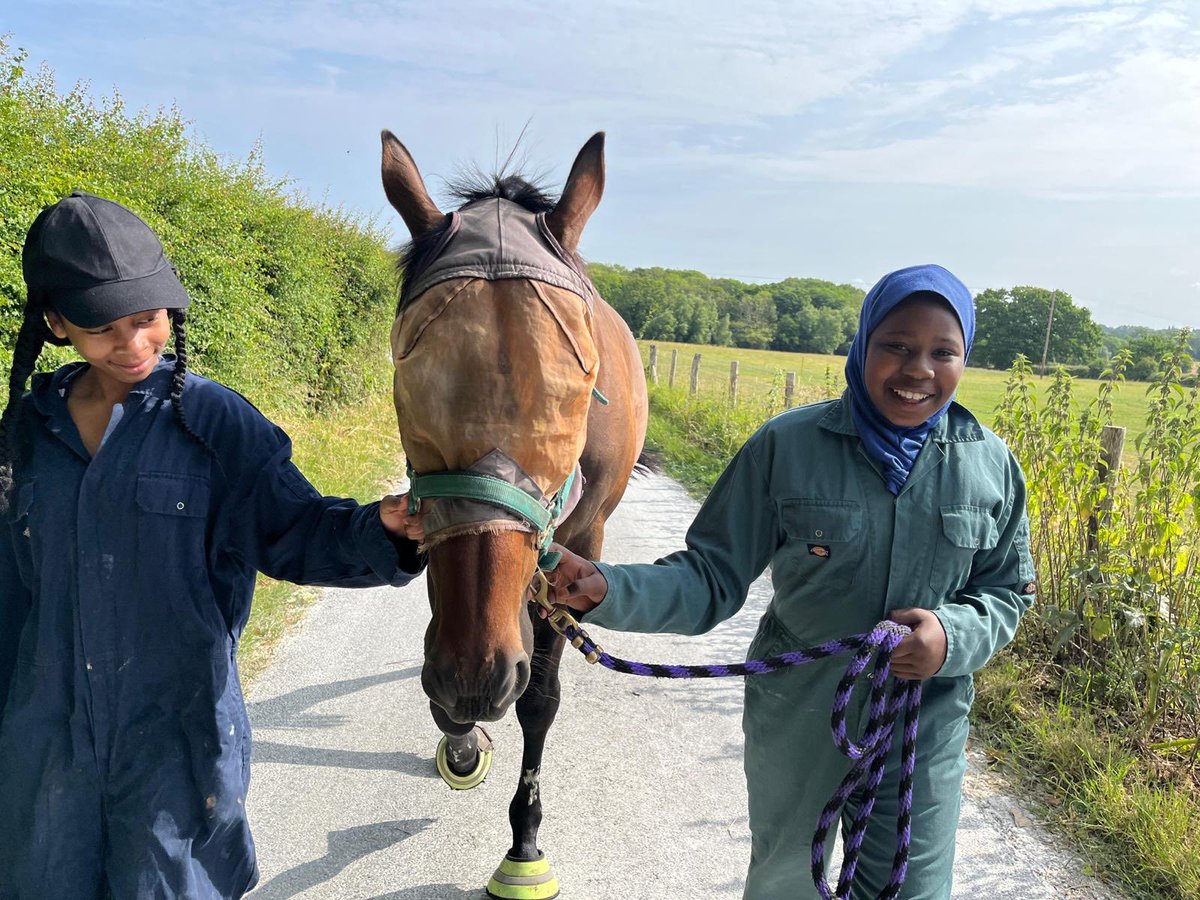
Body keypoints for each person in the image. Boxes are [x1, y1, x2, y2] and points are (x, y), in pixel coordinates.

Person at [544, 264, 1036, 899]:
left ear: (965, 358)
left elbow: (1005, 593)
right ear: (862, 347)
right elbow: (710, 575)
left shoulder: (989, 465)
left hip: (925, 717)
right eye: (897, 346)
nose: (919, 369)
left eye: (944, 352)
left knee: (911, 888)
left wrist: (951, 634)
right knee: (785, 881)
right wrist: (608, 588)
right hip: (798, 705)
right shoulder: (786, 447)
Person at [0, 192, 426, 899]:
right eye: (104, 328)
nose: (134, 344)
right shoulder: (23, 439)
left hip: (176, 750)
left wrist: (380, 528)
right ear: (55, 324)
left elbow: (295, 530)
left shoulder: (213, 424)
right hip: (44, 754)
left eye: (147, 320)